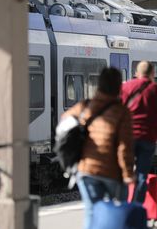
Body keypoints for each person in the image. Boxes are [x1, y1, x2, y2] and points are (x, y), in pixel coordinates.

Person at [62, 68, 135, 229]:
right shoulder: (122, 112)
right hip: (112, 173)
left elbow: (64, 123)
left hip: (86, 170)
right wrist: (128, 173)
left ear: (99, 84)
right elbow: (124, 148)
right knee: (118, 212)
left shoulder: (85, 106)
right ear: (118, 87)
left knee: (92, 211)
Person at [121, 61, 157, 203]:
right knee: (142, 175)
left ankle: (123, 209)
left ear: (136, 73)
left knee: (125, 173)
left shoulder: (125, 88)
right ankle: (137, 209)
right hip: (148, 138)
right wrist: (155, 132)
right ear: (153, 74)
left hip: (127, 137)